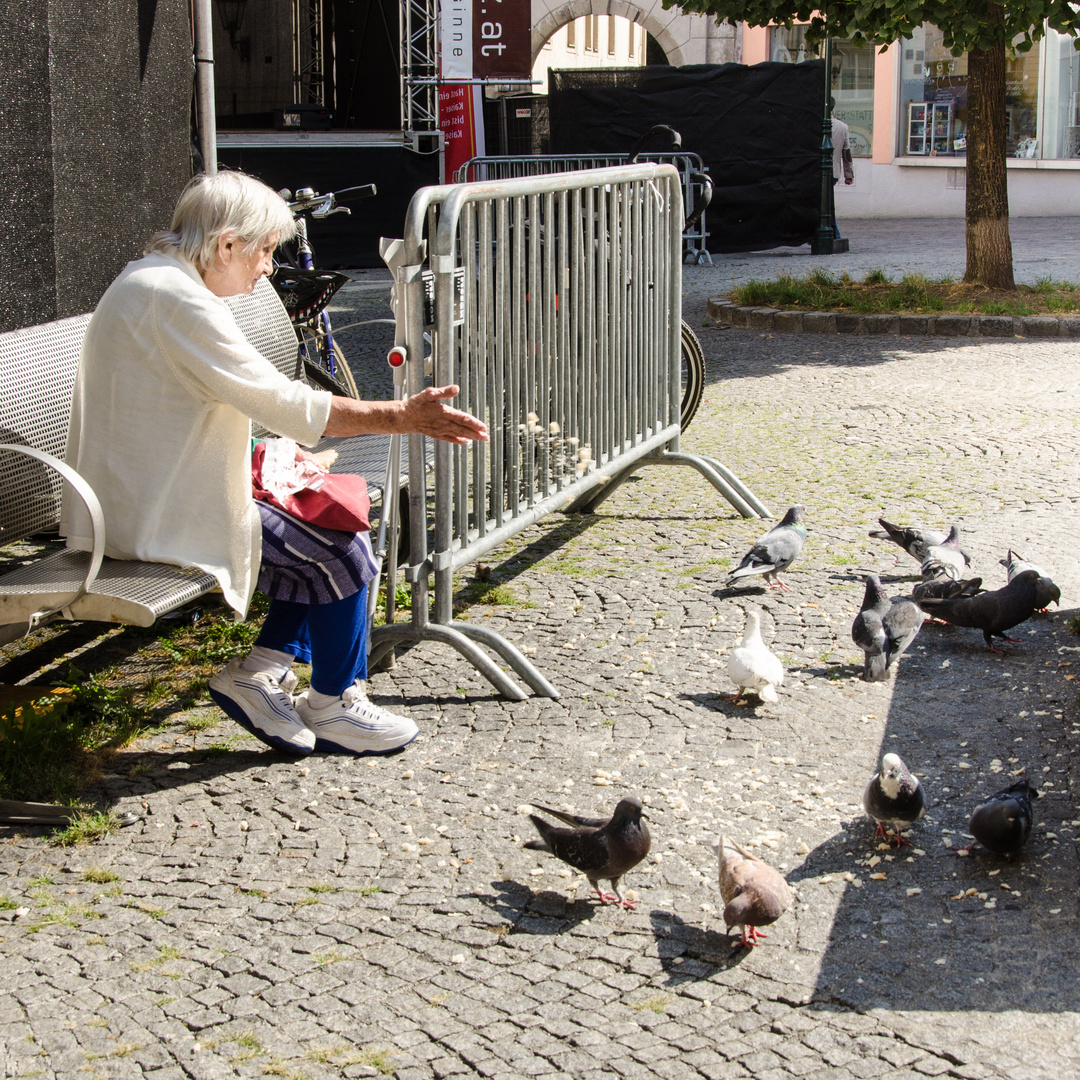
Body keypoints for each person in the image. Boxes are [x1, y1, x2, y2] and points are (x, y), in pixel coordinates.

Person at [61, 170, 489, 758]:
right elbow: (283, 403)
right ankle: (335, 703)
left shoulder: (156, 280)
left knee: (318, 517)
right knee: (342, 546)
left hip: (148, 491)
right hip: (156, 512)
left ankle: (260, 670)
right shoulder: (174, 298)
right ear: (227, 244)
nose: (267, 267)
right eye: (263, 250)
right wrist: (403, 414)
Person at [829, 98, 855, 239]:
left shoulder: (815, 125)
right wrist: (848, 174)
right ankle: (834, 232)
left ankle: (832, 232)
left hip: (819, 171)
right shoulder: (842, 127)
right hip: (834, 171)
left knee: (824, 203)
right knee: (828, 202)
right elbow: (847, 153)